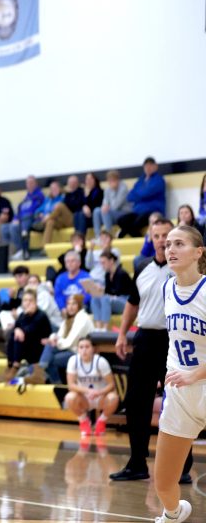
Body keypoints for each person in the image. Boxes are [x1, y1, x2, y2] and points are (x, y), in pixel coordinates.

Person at [111, 218, 193, 484]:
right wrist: (123, 333)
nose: (161, 240)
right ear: (151, 238)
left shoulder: (184, 268)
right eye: (157, 236)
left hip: (174, 340)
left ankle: (182, 467)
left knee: (177, 404)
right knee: (136, 403)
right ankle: (137, 464)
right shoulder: (142, 267)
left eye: (166, 236)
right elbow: (132, 303)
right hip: (144, 339)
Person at [151, 224, 206, 523]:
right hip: (180, 394)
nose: (170, 249)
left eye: (179, 243)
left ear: (198, 252)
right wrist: (172, 372)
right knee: (163, 483)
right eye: (168, 243)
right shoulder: (166, 288)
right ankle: (173, 516)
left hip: (203, 384)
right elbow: (174, 338)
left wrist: (195, 374)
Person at [64, 336, 119, 437]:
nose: (84, 350)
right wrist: (88, 391)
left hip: (100, 397)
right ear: (77, 349)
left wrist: (98, 392)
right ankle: (83, 421)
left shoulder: (100, 361)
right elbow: (71, 385)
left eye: (87, 347)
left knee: (113, 398)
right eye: (81, 347)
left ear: (93, 349)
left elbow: (112, 385)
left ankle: (101, 421)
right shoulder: (73, 360)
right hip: (84, 398)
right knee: (69, 397)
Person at [38, 294, 94, 384]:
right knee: (49, 348)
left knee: (50, 359)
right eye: (68, 304)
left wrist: (55, 342)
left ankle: (46, 376)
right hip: (69, 350)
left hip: (79, 352)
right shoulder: (69, 319)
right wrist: (53, 339)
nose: (70, 307)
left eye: (74, 304)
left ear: (79, 305)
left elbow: (69, 342)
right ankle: (43, 374)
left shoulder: (83, 319)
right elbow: (59, 335)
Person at [0, 290, 52, 382]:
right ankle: (10, 366)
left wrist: (19, 329)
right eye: (25, 300)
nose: (27, 303)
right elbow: (16, 328)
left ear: (36, 302)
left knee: (18, 338)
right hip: (28, 347)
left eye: (30, 300)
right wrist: (17, 329)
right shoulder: (23, 314)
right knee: (13, 337)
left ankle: (15, 368)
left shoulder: (41, 315)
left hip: (41, 349)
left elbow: (30, 330)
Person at [117, 156, 166, 238]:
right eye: (146, 166)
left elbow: (146, 193)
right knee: (121, 220)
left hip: (153, 211)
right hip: (138, 212)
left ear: (155, 166)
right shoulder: (141, 180)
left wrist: (139, 194)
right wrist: (142, 194)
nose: (148, 168)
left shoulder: (159, 180)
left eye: (150, 165)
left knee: (136, 223)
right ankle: (137, 237)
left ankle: (124, 231)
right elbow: (129, 196)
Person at [35, 175, 84, 247]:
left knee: (60, 206)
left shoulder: (64, 196)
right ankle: (44, 247)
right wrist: (40, 214)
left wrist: (48, 216)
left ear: (60, 188)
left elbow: (66, 206)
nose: (54, 190)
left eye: (55, 188)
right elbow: (38, 210)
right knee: (50, 222)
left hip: (71, 219)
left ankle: (44, 221)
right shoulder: (48, 199)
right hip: (59, 221)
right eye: (52, 188)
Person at [3, 175, 45, 260]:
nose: (29, 185)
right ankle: (11, 252)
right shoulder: (26, 197)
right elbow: (19, 210)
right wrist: (16, 219)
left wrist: (19, 219)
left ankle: (22, 251)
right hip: (21, 219)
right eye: (28, 183)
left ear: (36, 184)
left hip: (32, 219)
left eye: (31, 182)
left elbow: (34, 210)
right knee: (4, 228)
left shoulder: (39, 196)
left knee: (14, 227)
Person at [91, 251, 132, 330]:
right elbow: (108, 292)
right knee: (95, 298)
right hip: (114, 300)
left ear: (111, 261)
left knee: (105, 298)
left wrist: (104, 291)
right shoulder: (107, 275)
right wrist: (100, 289)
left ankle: (105, 327)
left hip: (125, 301)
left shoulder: (121, 274)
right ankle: (98, 326)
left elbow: (118, 292)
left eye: (104, 263)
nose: (102, 266)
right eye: (101, 263)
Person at [93, 170, 131, 239]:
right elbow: (104, 203)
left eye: (113, 180)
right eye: (109, 180)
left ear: (118, 180)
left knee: (106, 211)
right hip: (111, 213)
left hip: (124, 213)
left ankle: (109, 235)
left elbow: (116, 206)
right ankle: (98, 236)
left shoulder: (123, 188)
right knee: (96, 211)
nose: (110, 182)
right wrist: (104, 206)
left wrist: (113, 190)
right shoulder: (107, 190)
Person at [78, 172, 103, 237]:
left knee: (81, 215)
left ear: (95, 180)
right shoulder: (82, 193)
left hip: (95, 217)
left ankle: (80, 237)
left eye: (90, 179)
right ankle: (77, 236)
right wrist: (84, 206)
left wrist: (87, 197)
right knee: (77, 214)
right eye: (87, 179)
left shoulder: (100, 192)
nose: (88, 181)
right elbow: (80, 205)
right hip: (86, 218)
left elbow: (98, 206)